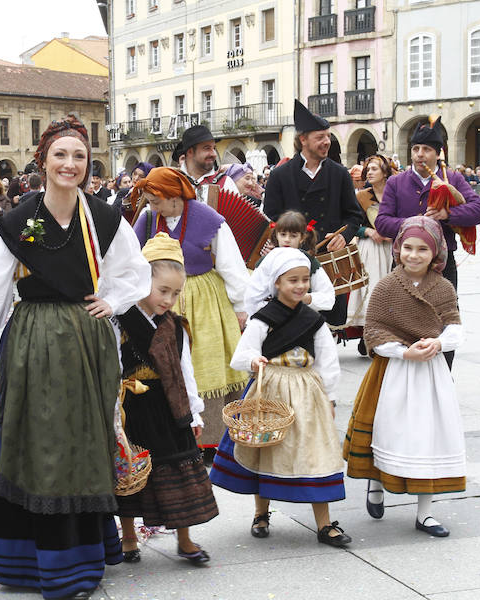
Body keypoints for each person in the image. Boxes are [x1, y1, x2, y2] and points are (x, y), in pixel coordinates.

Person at [0, 115, 150, 599]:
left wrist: (114, 301)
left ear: (88, 163)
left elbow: (135, 272)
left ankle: (77, 565)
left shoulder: (104, 217)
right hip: (33, 345)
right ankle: (26, 562)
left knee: (80, 445)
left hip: (86, 346)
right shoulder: (18, 222)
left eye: (79, 156)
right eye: (60, 155)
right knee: (34, 443)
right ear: (42, 162)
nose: (70, 163)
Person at [210, 248, 350, 547]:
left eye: (304, 280)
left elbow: (327, 361)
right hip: (271, 388)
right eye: (292, 281)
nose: (300, 286)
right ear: (276, 283)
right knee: (266, 447)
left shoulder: (314, 320)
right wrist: (254, 361)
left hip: (308, 390)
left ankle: (324, 524)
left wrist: (331, 397)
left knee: (316, 453)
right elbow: (241, 355)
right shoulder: (263, 319)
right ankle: (261, 513)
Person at [343, 216, 465, 538]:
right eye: (408, 247)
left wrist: (439, 342)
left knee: (429, 438)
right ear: (397, 248)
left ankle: (425, 513)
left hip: (429, 372)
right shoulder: (385, 287)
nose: (414, 255)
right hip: (393, 370)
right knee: (388, 431)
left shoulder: (442, 288)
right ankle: (376, 481)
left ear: (436, 251)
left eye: (422, 249)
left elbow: (454, 326)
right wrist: (402, 351)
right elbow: (374, 330)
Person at [114, 233, 218, 565]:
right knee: (130, 472)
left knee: (179, 469)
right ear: (141, 280)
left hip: (167, 404)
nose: (169, 299)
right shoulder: (120, 318)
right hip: (131, 407)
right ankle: (128, 536)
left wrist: (195, 413)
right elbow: (111, 367)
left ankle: (185, 539)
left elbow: (185, 371)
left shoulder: (175, 326)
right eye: (163, 291)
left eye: (175, 293)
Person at [132, 167, 249, 450]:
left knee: (206, 363)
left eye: (155, 200)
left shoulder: (209, 219)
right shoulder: (148, 219)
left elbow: (231, 265)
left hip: (206, 301)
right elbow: (132, 260)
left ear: (174, 196)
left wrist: (240, 307)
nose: (151, 206)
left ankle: (210, 438)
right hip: (158, 302)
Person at [263, 100, 364, 327]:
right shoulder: (280, 175)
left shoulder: (340, 174)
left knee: (328, 323)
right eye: (320, 137)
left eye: (328, 136)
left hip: (330, 262)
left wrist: (344, 236)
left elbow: (354, 216)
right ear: (303, 140)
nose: (327, 142)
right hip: (292, 263)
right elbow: (271, 216)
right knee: (293, 322)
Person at [375, 116, 480, 293]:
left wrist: (447, 215)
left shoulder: (452, 179)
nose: (419, 154)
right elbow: (381, 222)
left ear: (438, 153)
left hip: (441, 263)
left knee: (443, 316)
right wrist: (412, 224)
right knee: (401, 315)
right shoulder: (396, 182)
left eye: (426, 149)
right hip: (404, 261)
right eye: (415, 149)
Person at [347, 155, 396, 354]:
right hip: (371, 248)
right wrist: (367, 232)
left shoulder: (395, 194)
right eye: (368, 169)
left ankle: (388, 335)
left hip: (393, 247)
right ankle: (370, 336)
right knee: (373, 290)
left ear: (385, 172)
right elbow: (350, 223)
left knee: (391, 293)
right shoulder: (361, 197)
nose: (370, 172)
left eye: (375, 168)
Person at [255, 210, 335, 314]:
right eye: (283, 234)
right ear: (277, 235)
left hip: (302, 319)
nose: (287, 240)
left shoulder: (309, 261)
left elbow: (328, 297)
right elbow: (252, 296)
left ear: (302, 238)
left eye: (293, 236)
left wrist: (305, 298)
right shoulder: (265, 262)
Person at [175, 125, 240, 203]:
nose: (214, 154)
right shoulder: (172, 181)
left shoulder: (225, 183)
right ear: (190, 152)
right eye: (207, 148)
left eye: (214, 148)